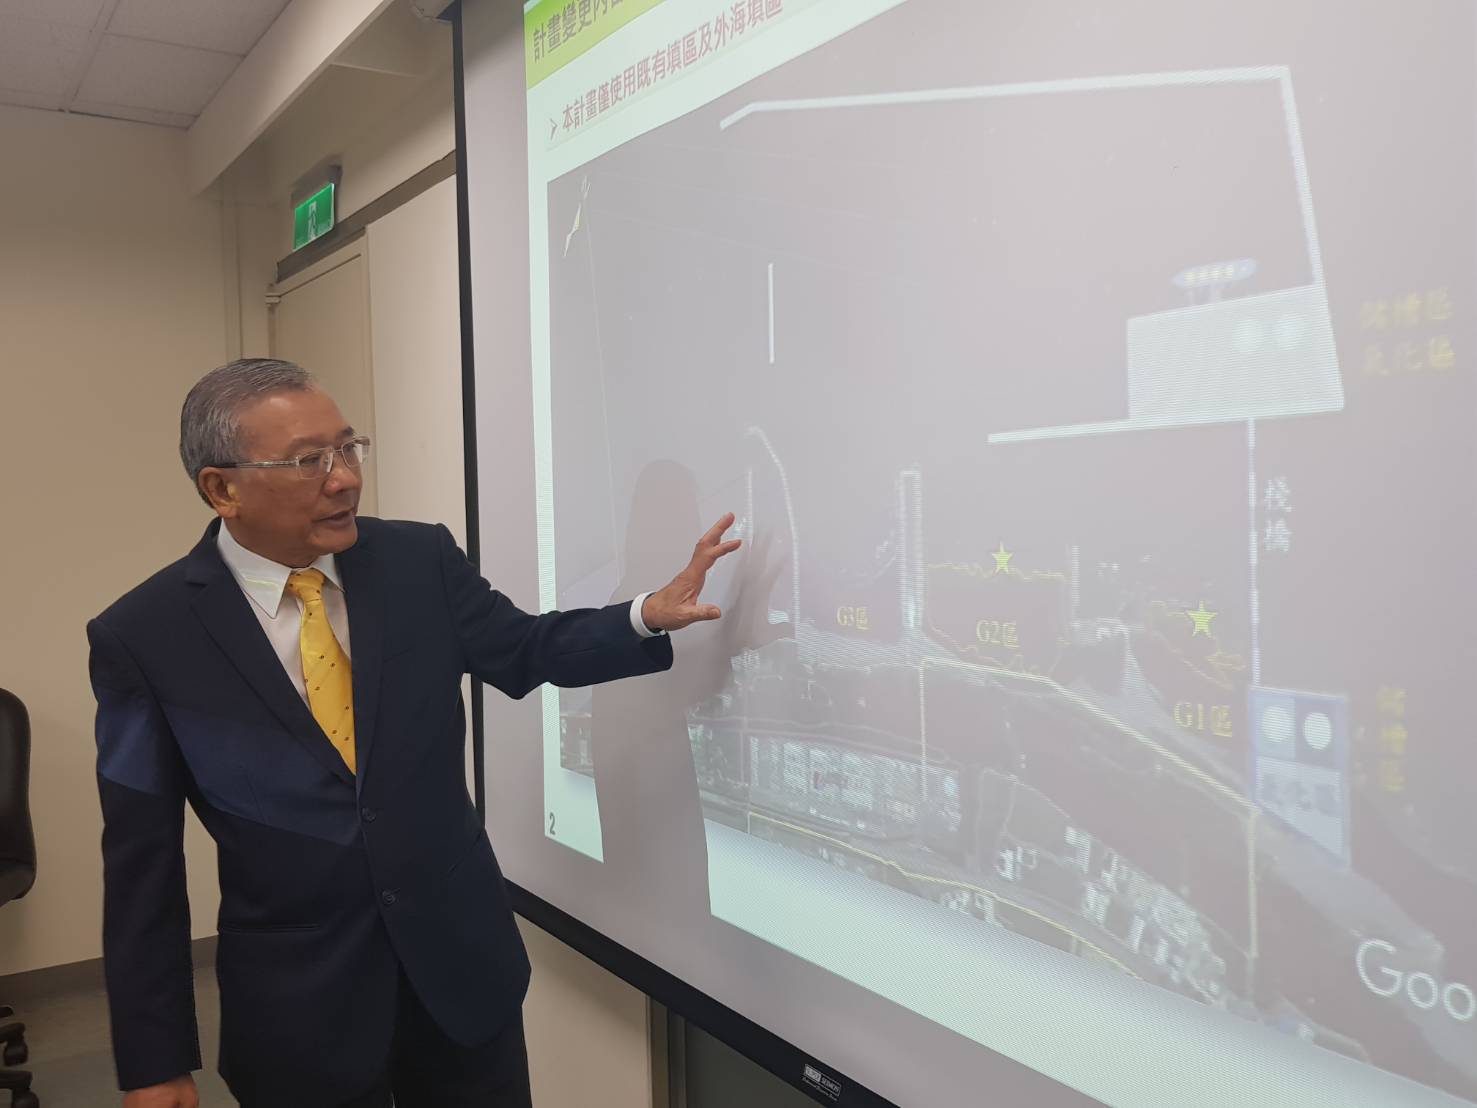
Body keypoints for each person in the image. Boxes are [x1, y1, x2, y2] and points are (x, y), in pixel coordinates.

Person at [87, 359, 740, 1108]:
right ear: (221, 488)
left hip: (462, 977)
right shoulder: (145, 636)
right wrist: (155, 1062)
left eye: (348, 448)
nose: (344, 479)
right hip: (300, 1010)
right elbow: (142, 869)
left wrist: (645, 614)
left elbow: (523, 648)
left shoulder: (416, 561)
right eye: (308, 461)